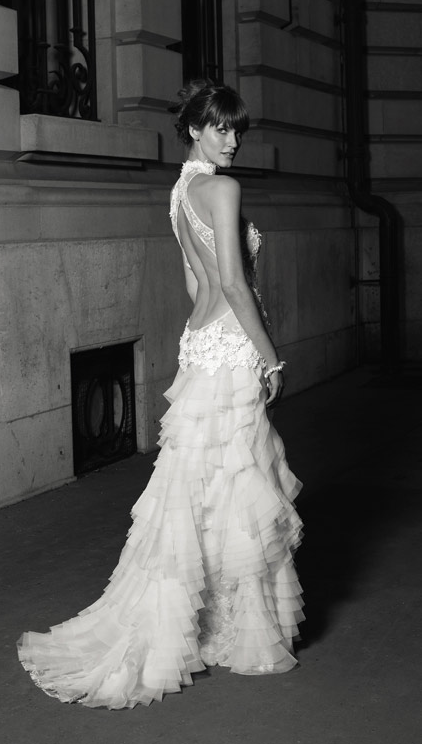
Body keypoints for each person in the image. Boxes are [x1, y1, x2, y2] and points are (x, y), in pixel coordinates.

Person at [17, 80, 304, 709]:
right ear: (196, 129)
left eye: (237, 129)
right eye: (221, 128)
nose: (233, 140)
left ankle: (203, 628)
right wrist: (269, 355)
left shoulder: (180, 191)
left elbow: (193, 281)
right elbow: (233, 282)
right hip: (229, 346)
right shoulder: (222, 189)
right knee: (238, 486)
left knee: (198, 490)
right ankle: (238, 634)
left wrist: (215, 336)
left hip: (199, 344)